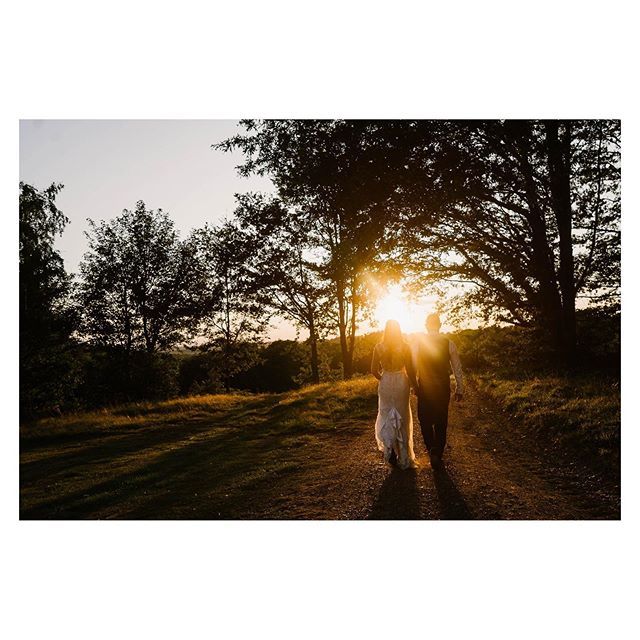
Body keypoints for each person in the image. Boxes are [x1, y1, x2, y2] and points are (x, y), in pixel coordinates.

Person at [413, 313, 464, 470]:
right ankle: (438, 451)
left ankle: (431, 449)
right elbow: (457, 368)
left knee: (424, 418)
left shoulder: (418, 344)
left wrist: (413, 386)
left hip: (425, 387)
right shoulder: (449, 343)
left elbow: (413, 366)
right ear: (440, 325)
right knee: (441, 419)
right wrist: (460, 388)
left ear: (427, 326)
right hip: (442, 387)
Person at [370, 319, 418, 470]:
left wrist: (383, 378)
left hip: (386, 381)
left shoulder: (379, 347)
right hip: (401, 382)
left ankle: (389, 448)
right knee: (401, 416)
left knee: (386, 415)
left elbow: (373, 370)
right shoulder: (405, 347)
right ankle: (403, 457)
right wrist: (415, 385)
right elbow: (410, 370)